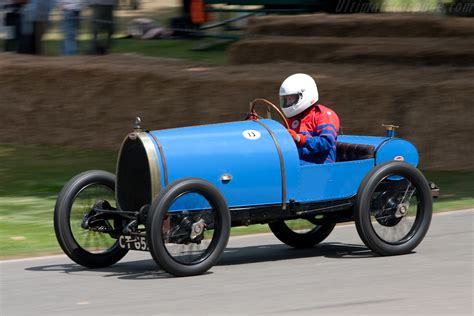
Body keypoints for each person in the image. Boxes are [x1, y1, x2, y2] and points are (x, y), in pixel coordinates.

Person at [279, 73, 340, 164]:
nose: (288, 102)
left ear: (303, 96)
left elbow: (326, 143)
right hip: (296, 164)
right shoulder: (292, 120)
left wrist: (300, 138)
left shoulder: (324, 115)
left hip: (320, 168)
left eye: (290, 99)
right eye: (286, 99)